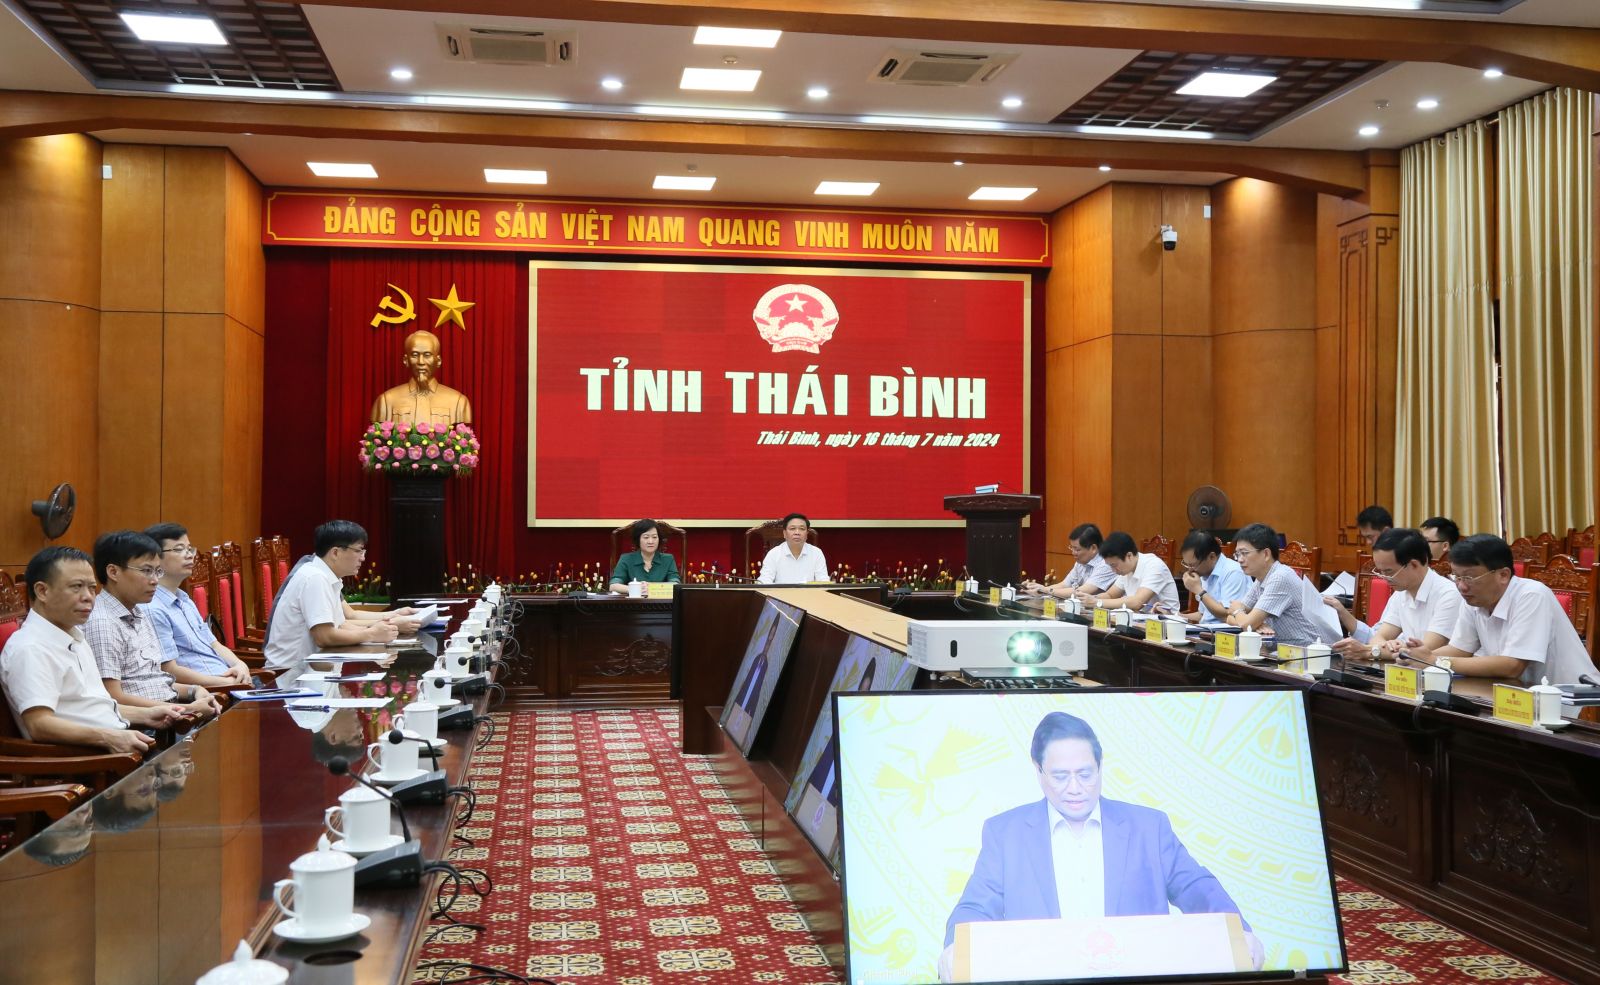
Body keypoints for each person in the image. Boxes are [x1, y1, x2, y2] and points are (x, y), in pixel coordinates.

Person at [942, 712, 1261, 969]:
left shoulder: (1148, 827)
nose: (1075, 788)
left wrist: (1238, 932)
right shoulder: (1005, 833)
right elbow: (975, 906)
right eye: (1060, 776)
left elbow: (1195, 886)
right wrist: (957, 949)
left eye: (1085, 774)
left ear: (1100, 766)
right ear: (1038, 771)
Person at [1, 546, 185, 755]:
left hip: (118, 740)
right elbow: (39, 724)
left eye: (91, 588)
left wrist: (148, 714)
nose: (88, 597)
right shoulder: (31, 648)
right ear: (42, 591)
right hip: (87, 760)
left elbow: (95, 708)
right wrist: (109, 737)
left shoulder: (74, 635)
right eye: (76, 587)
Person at [1405, 534, 1595, 686]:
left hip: (1574, 701)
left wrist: (1434, 661)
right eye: (1457, 577)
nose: (1461, 586)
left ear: (1503, 575)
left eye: (1469, 578)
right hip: (1519, 695)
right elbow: (1460, 649)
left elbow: (1512, 666)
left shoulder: (1532, 595)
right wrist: (1417, 657)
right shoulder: (1473, 599)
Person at [83, 531, 221, 720]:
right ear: (113, 572)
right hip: (147, 726)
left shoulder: (137, 612)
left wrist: (194, 691)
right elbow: (113, 697)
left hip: (173, 712)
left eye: (157, 571)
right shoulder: (103, 622)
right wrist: (186, 709)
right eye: (147, 571)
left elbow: (155, 681)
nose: (155, 580)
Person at [262, 520, 419, 684]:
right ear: (335, 553)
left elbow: (341, 624)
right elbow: (325, 637)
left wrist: (382, 630)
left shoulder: (325, 575)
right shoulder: (314, 578)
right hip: (290, 678)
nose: (363, 558)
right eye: (358, 551)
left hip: (315, 670)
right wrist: (372, 634)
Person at [142, 522, 254, 687]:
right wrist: (226, 683)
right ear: (154, 558)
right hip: (210, 691)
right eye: (179, 549)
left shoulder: (185, 600)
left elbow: (214, 644)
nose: (189, 555)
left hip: (228, 682)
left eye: (189, 549)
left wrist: (240, 665)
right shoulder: (152, 608)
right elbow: (168, 670)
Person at [1330, 529, 1464, 659]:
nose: (1384, 578)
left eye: (1389, 572)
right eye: (1380, 571)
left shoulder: (1449, 594)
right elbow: (1378, 637)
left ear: (1414, 564)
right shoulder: (1401, 592)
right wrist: (1386, 645)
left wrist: (1368, 651)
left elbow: (1424, 651)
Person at [1225, 523, 1325, 646]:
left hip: (1313, 651)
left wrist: (1239, 612)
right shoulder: (1261, 578)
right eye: (1237, 554)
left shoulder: (1280, 577)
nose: (1240, 560)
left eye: (1244, 553)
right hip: (1286, 649)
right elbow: (1229, 617)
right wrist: (1256, 623)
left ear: (1266, 554)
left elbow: (1244, 622)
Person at [370, 328, 473, 425]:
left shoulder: (458, 401)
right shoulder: (386, 400)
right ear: (406, 360)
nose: (421, 362)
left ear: (438, 361)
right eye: (415, 355)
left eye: (427, 355)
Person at [1080, 532, 1179, 613]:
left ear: (1129, 556)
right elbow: (1110, 595)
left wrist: (1097, 602)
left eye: (1114, 565)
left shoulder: (1154, 565)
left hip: (1167, 623)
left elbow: (1137, 602)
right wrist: (1088, 599)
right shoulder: (1126, 568)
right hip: (1141, 620)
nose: (1113, 570)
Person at [1023, 523, 1114, 599]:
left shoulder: (1106, 563)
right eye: (1071, 548)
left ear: (1093, 548)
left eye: (1077, 549)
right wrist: (1039, 589)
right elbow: (1064, 585)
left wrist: (1046, 590)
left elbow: (1083, 591)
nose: (1073, 553)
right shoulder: (1081, 562)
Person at [1180, 531, 1252, 625]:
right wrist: (1177, 616)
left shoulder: (1233, 572)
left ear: (1212, 557)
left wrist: (1199, 591)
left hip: (1227, 632)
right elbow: (1203, 615)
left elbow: (1227, 615)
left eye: (1193, 565)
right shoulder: (1204, 573)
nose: (1190, 570)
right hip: (1206, 630)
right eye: (1186, 564)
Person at [608, 519, 682, 594]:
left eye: (654, 537)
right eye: (646, 537)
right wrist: (636, 589)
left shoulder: (668, 559)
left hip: (660, 601)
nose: (651, 541)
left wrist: (652, 588)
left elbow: (675, 584)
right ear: (638, 540)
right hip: (634, 601)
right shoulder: (626, 559)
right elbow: (613, 586)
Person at [756, 513, 829, 584]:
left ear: (807, 534)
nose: (797, 532)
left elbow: (823, 581)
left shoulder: (816, 553)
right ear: (784, 533)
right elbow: (764, 581)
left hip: (808, 593)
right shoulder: (773, 554)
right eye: (792, 528)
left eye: (802, 529)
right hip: (781, 592)